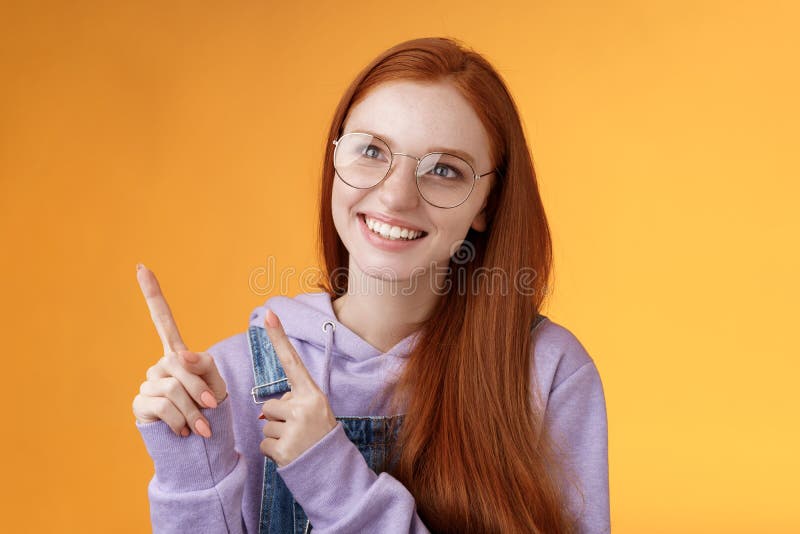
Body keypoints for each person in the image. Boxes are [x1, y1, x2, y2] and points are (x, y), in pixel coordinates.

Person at [133, 37, 610, 534]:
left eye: (445, 170)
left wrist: (331, 477)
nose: (397, 195)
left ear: (487, 203)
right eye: (372, 151)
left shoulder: (546, 372)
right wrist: (192, 469)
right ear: (334, 161)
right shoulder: (231, 377)